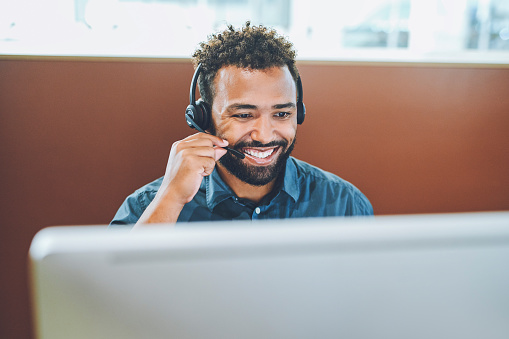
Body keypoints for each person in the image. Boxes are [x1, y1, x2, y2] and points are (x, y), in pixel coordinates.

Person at [110, 22, 373, 228]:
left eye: (281, 114)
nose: (264, 135)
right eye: (244, 115)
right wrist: (171, 198)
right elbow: (109, 293)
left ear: (299, 113)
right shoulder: (148, 206)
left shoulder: (346, 204)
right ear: (202, 118)